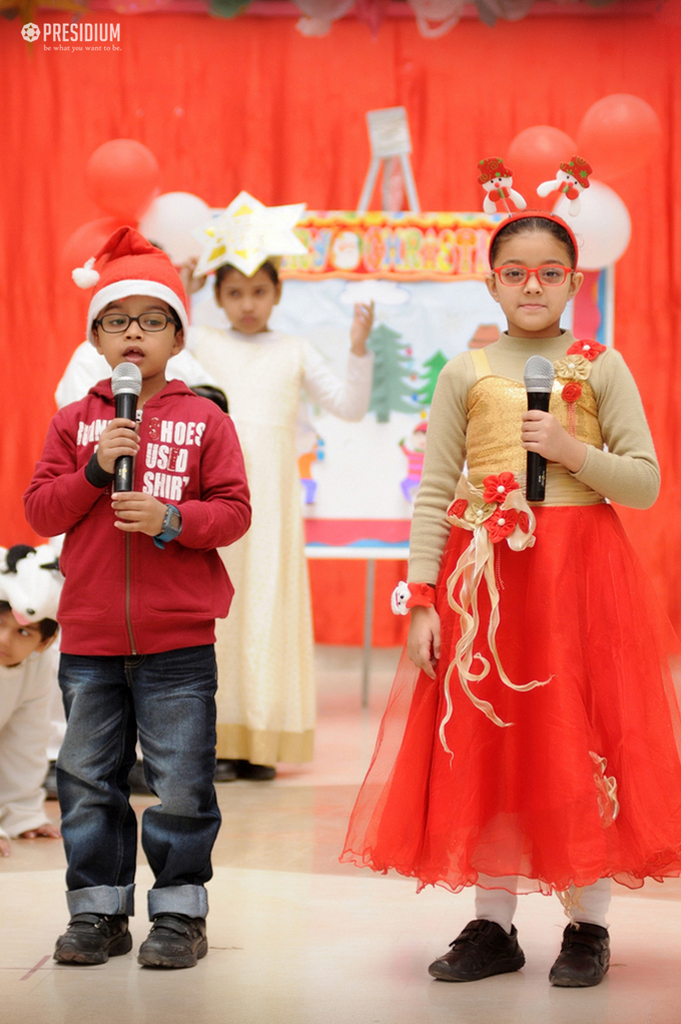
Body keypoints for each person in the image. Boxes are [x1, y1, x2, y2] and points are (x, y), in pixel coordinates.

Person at [341, 210, 681, 988]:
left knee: (578, 739)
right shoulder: (465, 371)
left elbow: (646, 480)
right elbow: (433, 492)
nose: (532, 286)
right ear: (490, 279)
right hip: (485, 586)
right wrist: (422, 599)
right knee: (490, 743)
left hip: (578, 582)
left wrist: (569, 451)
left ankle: (586, 924)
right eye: (515, 272)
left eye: (549, 272)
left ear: (573, 279)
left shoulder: (600, 365)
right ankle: (491, 925)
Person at [24, 227, 251, 969]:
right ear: (94, 336)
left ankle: (180, 913)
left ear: (177, 337)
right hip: (89, 636)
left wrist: (173, 520)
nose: (133, 333)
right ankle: (97, 912)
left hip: (178, 639)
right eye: (116, 319)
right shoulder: (74, 423)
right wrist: (95, 470)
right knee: (88, 781)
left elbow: (235, 511)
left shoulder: (205, 420)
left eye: (151, 320)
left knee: (181, 783)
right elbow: (41, 512)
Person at [189, 233, 374, 780]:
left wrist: (359, 347)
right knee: (215, 612)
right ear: (218, 297)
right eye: (236, 292)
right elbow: (163, 355)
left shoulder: (294, 351)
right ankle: (211, 740)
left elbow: (349, 406)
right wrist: (183, 287)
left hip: (270, 501)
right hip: (211, 495)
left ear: (277, 294)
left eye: (260, 291)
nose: (248, 303)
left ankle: (260, 740)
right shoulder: (199, 342)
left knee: (266, 605)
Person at [0, 544, 63, 857]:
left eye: (24, 633)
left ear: (45, 642)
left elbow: (24, 743)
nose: (4, 640)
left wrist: (21, 815)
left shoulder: (38, 665)